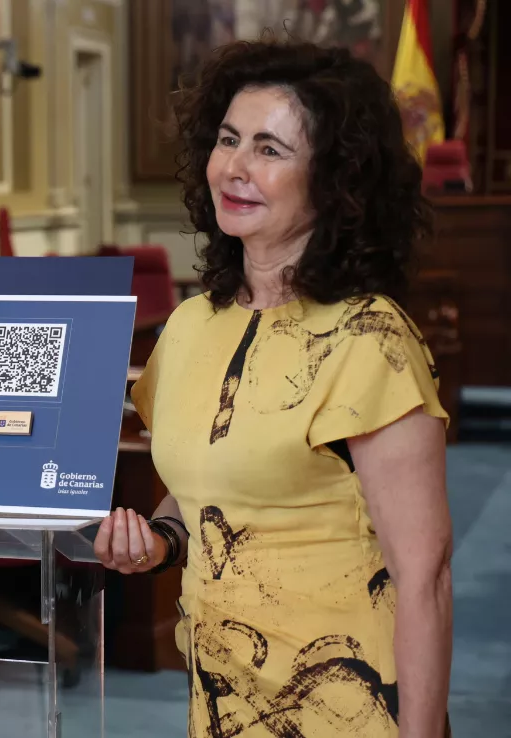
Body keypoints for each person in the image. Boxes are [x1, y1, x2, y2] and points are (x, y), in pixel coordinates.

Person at [94, 40, 453, 738]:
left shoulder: (369, 339)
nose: (235, 167)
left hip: (351, 702)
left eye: (269, 149)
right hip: (224, 698)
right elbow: (206, 483)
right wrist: (161, 540)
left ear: (334, 179)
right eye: (228, 140)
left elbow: (426, 576)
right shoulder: (192, 326)